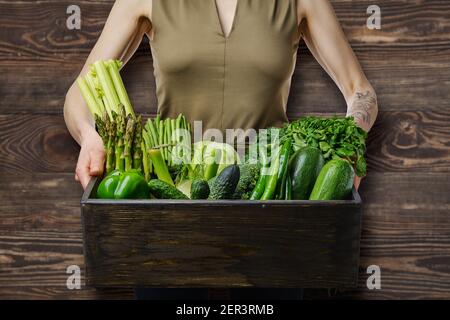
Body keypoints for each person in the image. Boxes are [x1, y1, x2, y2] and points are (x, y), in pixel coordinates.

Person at [64, 0, 378, 300]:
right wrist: (89, 137)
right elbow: (81, 91)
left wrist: (351, 143)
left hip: (270, 201)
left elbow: (361, 91)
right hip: (172, 199)